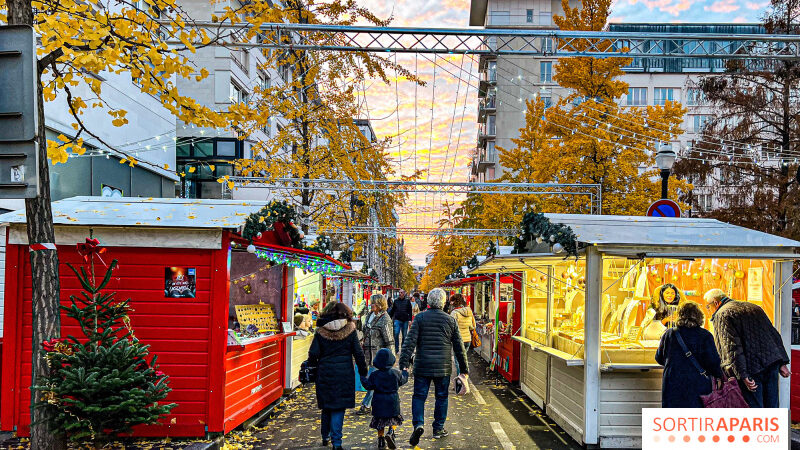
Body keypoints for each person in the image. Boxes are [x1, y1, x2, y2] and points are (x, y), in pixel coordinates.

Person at [399, 287, 469, 446]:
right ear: (443, 302)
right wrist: (464, 370)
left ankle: (418, 424)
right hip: (443, 366)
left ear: (428, 301)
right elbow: (459, 347)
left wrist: (403, 364)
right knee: (442, 397)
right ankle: (438, 428)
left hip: (422, 365)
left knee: (419, 396)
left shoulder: (420, 318)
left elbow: (409, 343)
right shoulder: (450, 320)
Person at [705, 288, 790, 408]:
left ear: (715, 302)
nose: (709, 310)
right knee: (772, 408)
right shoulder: (753, 307)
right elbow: (773, 334)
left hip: (750, 368)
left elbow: (731, 348)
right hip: (771, 363)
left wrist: (742, 375)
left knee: (754, 411)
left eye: (708, 307)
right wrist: (782, 362)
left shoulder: (721, 314)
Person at [307, 303, 368, 450]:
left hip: (325, 374)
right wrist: (363, 371)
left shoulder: (320, 332)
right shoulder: (350, 331)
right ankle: (337, 443)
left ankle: (325, 436)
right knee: (338, 408)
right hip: (344, 374)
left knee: (327, 406)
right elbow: (358, 353)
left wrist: (313, 367)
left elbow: (313, 353)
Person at [655, 302, 723, 407]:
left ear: (679, 316)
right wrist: (719, 376)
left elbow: (659, 358)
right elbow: (713, 362)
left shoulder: (669, 334)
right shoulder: (705, 335)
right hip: (698, 384)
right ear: (699, 316)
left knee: (673, 419)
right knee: (694, 419)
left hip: (673, 383)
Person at [361, 348, 408, 449]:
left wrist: (363, 377)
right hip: (393, 401)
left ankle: (381, 439)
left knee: (380, 422)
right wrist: (405, 372)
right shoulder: (396, 373)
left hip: (379, 402)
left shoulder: (374, 375)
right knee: (394, 419)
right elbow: (403, 380)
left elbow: (368, 386)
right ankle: (391, 432)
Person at [357, 293, 395, 415]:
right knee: (372, 379)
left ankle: (366, 404)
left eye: (373, 303)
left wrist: (391, 356)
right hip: (367, 353)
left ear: (379, 304)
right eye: (371, 302)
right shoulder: (369, 315)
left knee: (374, 379)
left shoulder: (385, 319)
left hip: (378, 355)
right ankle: (377, 402)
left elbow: (389, 339)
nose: (371, 304)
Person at [390, 289, 413, 354]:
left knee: (404, 335)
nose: (400, 294)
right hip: (397, 319)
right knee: (396, 333)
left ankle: (403, 348)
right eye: (399, 292)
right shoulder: (396, 301)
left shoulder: (407, 301)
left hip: (405, 320)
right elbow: (393, 310)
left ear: (404, 293)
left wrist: (410, 320)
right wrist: (390, 317)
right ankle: (396, 349)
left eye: (401, 292)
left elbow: (410, 311)